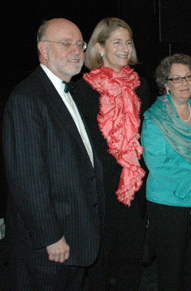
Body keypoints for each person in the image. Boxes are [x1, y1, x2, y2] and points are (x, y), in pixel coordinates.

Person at [3, 18, 105, 290]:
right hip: (48, 247)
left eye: (80, 44)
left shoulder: (68, 92)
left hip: (75, 237)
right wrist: (50, 236)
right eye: (65, 44)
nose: (77, 51)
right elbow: (27, 179)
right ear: (43, 49)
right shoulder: (27, 98)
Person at [74, 18, 150, 290]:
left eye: (128, 42)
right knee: (99, 265)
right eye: (116, 42)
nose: (125, 47)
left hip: (133, 188)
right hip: (99, 191)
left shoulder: (141, 86)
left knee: (131, 262)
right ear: (100, 47)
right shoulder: (82, 89)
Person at [141, 53, 191, 291]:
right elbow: (157, 163)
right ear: (166, 84)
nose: (184, 83)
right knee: (172, 271)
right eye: (177, 79)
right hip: (168, 203)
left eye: (188, 77)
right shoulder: (155, 118)